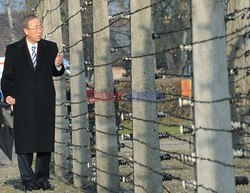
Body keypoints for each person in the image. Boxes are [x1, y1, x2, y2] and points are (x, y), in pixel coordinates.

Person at [1, 14, 64, 191]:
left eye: (40, 27)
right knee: (25, 141)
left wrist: (58, 65)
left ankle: (43, 178)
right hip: (23, 101)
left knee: (44, 139)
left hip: (45, 100)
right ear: (26, 30)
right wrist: (9, 95)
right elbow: (7, 79)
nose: (39, 30)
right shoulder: (13, 50)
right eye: (35, 28)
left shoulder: (50, 47)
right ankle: (28, 180)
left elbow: (56, 72)